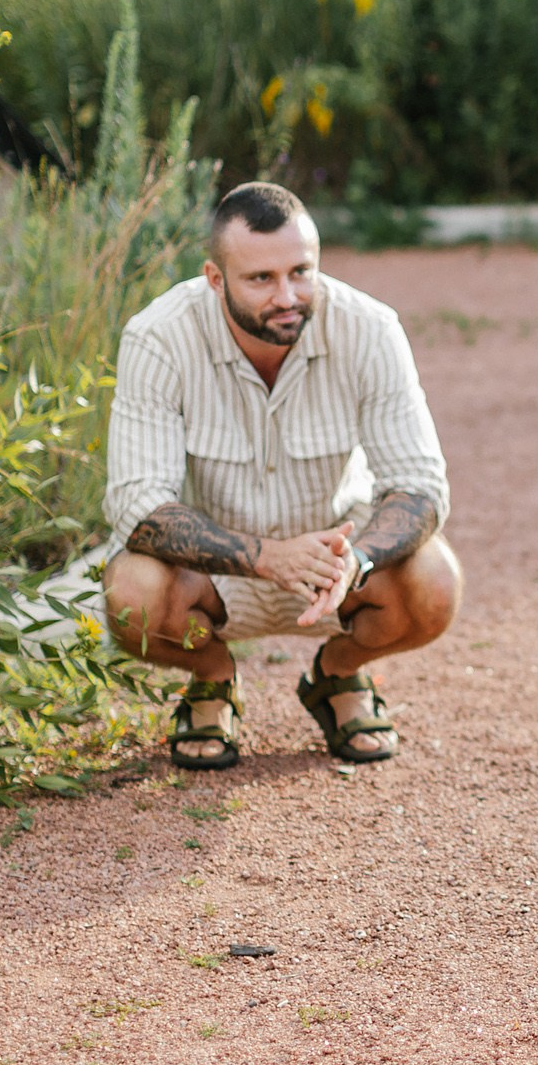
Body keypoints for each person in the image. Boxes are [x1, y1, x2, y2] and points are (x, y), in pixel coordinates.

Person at [101, 182, 461, 769]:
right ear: (215, 279)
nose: (287, 296)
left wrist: (357, 561)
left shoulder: (370, 328)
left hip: (335, 566)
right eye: (261, 279)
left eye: (301, 272)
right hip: (212, 576)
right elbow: (137, 506)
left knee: (436, 582)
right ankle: (213, 677)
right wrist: (267, 557)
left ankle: (337, 674)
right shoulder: (159, 335)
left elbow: (419, 486)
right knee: (130, 593)